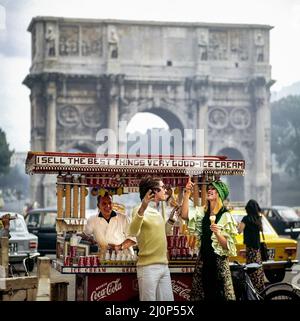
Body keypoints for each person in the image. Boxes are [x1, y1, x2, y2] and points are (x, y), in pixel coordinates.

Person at [181, 178, 238, 300]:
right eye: (209, 189)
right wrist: (187, 193)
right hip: (204, 262)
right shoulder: (203, 212)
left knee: (219, 297)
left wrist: (217, 233)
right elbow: (184, 214)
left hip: (218, 264)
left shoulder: (225, 215)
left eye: (213, 189)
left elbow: (228, 246)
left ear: (220, 194)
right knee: (204, 296)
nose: (209, 190)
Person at [128, 176, 175, 301]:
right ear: (152, 191)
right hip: (148, 267)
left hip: (164, 266)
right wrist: (143, 208)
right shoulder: (138, 209)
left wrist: (171, 219)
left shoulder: (157, 211)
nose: (165, 190)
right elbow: (133, 231)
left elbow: (162, 233)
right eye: (162, 187)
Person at [237, 199, 265, 293]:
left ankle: (253, 290)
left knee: (251, 268)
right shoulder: (258, 218)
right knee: (258, 268)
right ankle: (260, 288)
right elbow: (261, 230)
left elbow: (239, 230)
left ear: (248, 208)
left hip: (250, 248)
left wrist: (237, 225)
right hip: (257, 248)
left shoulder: (246, 218)